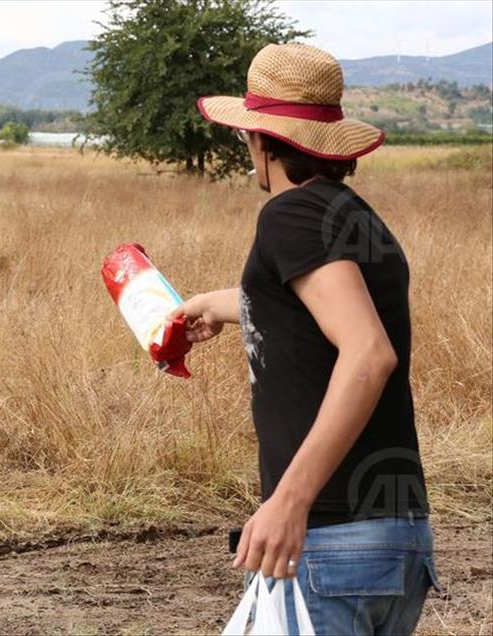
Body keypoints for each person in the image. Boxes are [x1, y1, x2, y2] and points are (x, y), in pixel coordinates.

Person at [179, 43, 440, 635]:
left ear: (262, 140)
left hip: (327, 542)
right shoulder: (355, 218)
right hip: (395, 538)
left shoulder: (287, 215)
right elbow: (316, 309)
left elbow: (368, 353)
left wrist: (289, 503)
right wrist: (218, 307)